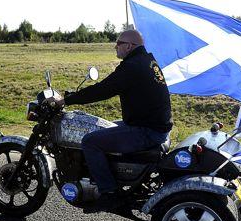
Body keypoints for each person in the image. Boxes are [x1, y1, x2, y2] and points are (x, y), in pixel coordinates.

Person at [64, 29, 173, 208]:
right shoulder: (147, 61)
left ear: (129, 46)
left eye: (118, 43)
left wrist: (67, 100)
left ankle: (109, 192)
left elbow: (104, 89)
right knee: (100, 129)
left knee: (90, 141)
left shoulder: (132, 66)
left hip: (147, 131)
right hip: (154, 126)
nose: (115, 46)